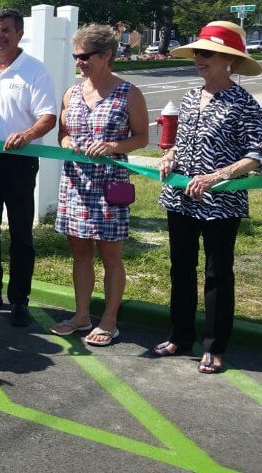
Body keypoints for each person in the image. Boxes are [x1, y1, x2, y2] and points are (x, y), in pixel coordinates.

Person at [153, 21, 262, 373]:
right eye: (197, 52)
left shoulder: (244, 103)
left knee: (218, 273)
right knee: (181, 269)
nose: (199, 58)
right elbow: (180, 142)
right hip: (181, 197)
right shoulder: (188, 96)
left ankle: (215, 346)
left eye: (207, 53)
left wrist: (219, 175)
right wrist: (169, 155)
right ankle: (179, 336)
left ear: (228, 60)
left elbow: (255, 155)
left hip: (221, 202)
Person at [50, 24, 149, 346]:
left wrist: (112, 146)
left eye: (84, 56)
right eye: (76, 57)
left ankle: (109, 319)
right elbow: (63, 132)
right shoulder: (72, 93)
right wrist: (66, 141)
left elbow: (142, 138)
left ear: (106, 55)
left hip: (110, 186)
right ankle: (81, 315)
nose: (79, 62)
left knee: (110, 255)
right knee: (79, 253)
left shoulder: (128, 93)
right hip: (76, 183)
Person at [0, 8, 58, 327]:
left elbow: (48, 116)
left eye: (5, 30)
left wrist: (27, 134)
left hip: (19, 162)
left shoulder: (34, 70)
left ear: (19, 34)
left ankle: (19, 299)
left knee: (20, 233)